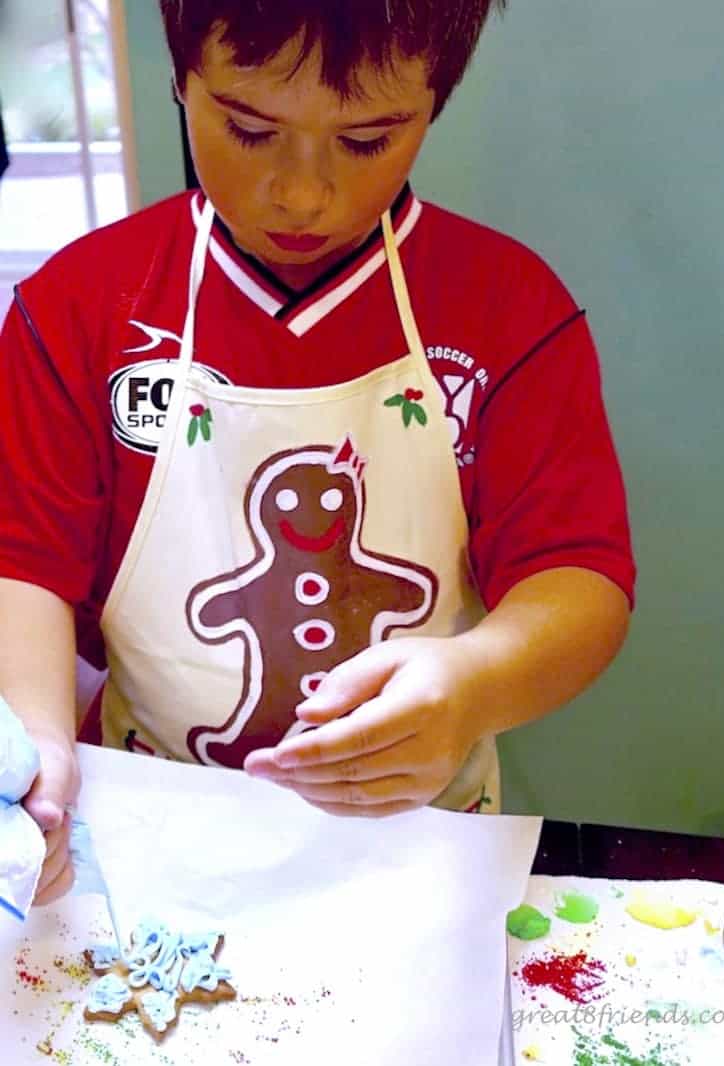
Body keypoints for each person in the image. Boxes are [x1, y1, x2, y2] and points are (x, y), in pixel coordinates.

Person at [0, 0, 635, 908]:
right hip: (150, 825)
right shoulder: (76, 311)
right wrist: (37, 752)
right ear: (181, 78)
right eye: (249, 130)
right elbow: (21, 565)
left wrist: (470, 683)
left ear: (432, 105)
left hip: (420, 836)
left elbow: (578, 577)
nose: (302, 193)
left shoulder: (509, 312)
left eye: (368, 140)